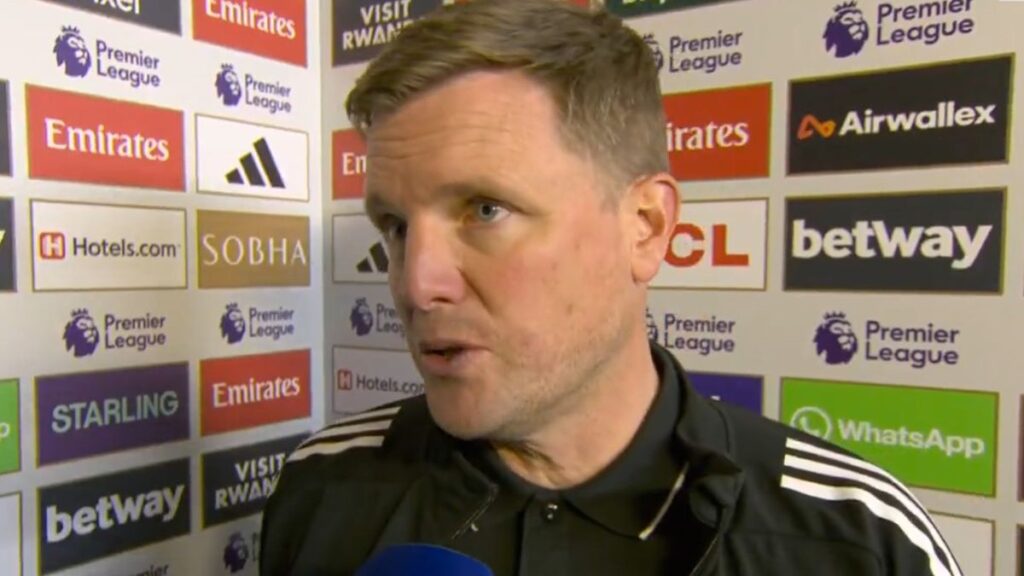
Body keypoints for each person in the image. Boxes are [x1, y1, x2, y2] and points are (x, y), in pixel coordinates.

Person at [260, 1, 962, 574]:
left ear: (646, 228)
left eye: (485, 210)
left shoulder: (857, 541)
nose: (418, 285)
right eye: (395, 225)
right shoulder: (323, 490)